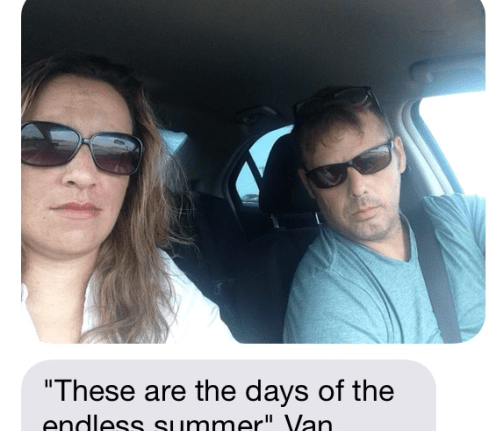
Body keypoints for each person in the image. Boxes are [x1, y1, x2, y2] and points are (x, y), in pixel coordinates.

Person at [21, 51, 236, 344]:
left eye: (115, 150)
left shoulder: (160, 284)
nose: (83, 175)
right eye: (46, 143)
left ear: (132, 181)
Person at [283, 86, 485, 343]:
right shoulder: (328, 298)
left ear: (399, 155)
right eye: (329, 174)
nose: (358, 188)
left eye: (371, 160)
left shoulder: (460, 214)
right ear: (309, 185)